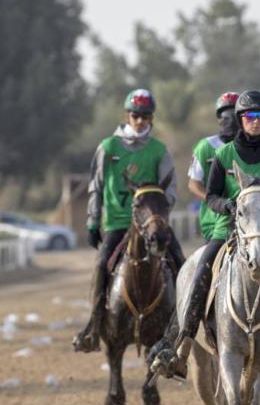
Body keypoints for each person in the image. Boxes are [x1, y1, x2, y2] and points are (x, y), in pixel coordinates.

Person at [169, 89, 260, 379]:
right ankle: (183, 345)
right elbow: (211, 195)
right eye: (249, 116)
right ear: (240, 119)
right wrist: (227, 205)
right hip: (227, 231)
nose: (255, 121)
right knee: (201, 270)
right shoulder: (223, 155)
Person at [73, 88, 186, 353]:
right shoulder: (108, 147)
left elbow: (170, 189)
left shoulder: (159, 150)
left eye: (145, 116)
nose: (140, 120)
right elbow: (96, 186)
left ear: (151, 118)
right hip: (117, 222)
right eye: (135, 115)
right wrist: (92, 222)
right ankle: (93, 325)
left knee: (180, 260)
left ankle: (183, 325)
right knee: (102, 265)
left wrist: (158, 214)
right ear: (127, 115)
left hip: (151, 224)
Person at [188, 92, 240, 241]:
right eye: (226, 115)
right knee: (203, 263)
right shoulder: (205, 146)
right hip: (215, 223)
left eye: (235, 114)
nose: (231, 120)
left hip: (248, 221)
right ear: (219, 119)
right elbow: (193, 184)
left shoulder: (251, 147)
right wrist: (217, 202)